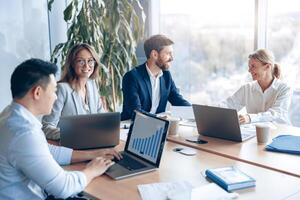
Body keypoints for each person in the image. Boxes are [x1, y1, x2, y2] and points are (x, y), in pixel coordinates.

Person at [0, 59, 121, 199]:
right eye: (54, 91)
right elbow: (64, 188)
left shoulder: (9, 114)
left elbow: (48, 151)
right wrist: (92, 170)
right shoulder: (24, 133)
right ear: (37, 93)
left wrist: (93, 154)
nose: (56, 97)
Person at [121, 34, 191, 120]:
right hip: (130, 127)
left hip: (157, 126)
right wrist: (160, 118)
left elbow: (178, 101)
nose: (172, 58)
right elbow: (136, 112)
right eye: (168, 53)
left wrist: (196, 112)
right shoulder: (132, 77)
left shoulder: (166, 76)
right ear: (154, 54)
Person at [42, 43, 104, 140]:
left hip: (93, 141)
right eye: (81, 61)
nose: (87, 65)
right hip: (71, 146)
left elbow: (102, 119)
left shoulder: (92, 85)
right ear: (72, 64)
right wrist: (71, 135)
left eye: (90, 61)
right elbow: (46, 127)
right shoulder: (62, 89)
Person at [222, 49, 292, 124]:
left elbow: (276, 113)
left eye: (253, 66)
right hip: (256, 132)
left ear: (267, 67)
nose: (249, 70)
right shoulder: (247, 88)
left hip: (281, 131)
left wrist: (249, 117)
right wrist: (210, 110)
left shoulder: (284, 89)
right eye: (249, 66)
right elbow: (229, 104)